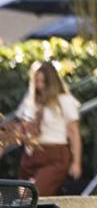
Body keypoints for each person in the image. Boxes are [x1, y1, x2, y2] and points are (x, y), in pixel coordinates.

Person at [17, 61, 82, 196]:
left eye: (43, 82)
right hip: (31, 155)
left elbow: (74, 133)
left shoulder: (64, 101)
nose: (40, 86)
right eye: (37, 81)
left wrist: (76, 162)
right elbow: (22, 126)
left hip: (54, 155)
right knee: (25, 198)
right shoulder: (30, 100)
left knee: (34, 194)